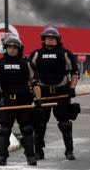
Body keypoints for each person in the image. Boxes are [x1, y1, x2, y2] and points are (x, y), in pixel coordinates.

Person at [0, 35, 41, 167]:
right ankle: (1, 156)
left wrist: (38, 99)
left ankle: (30, 156)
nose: (12, 50)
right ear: (5, 48)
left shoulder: (27, 63)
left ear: (19, 49)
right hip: (6, 101)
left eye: (15, 47)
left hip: (24, 102)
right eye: (9, 47)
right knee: (4, 130)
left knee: (27, 129)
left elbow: (35, 83)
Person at [28, 26, 79, 161]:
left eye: (53, 38)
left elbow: (75, 73)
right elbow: (29, 75)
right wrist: (31, 92)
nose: (50, 40)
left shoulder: (65, 54)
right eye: (47, 38)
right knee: (39, 123)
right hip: (42, 94)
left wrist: (72, 88)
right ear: (43, 39)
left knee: (65, 124)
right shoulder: (36, 54)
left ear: (57, 39)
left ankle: (69, 151)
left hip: (61, 93)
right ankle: (38, 151)